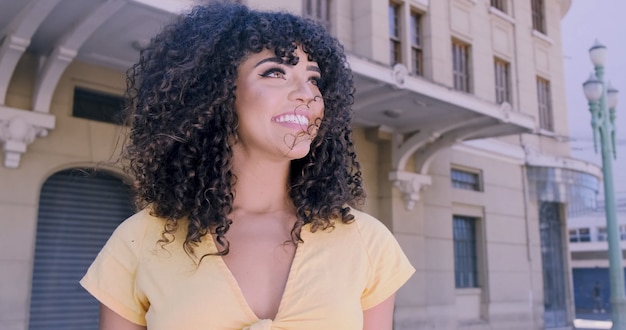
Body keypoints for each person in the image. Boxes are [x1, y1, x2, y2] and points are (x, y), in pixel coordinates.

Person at [80, 2, 415, 330]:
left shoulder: (367, 242)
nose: (306, 94)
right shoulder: (139, 241)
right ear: (216, 93)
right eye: (275, 72)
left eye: (314, 79)